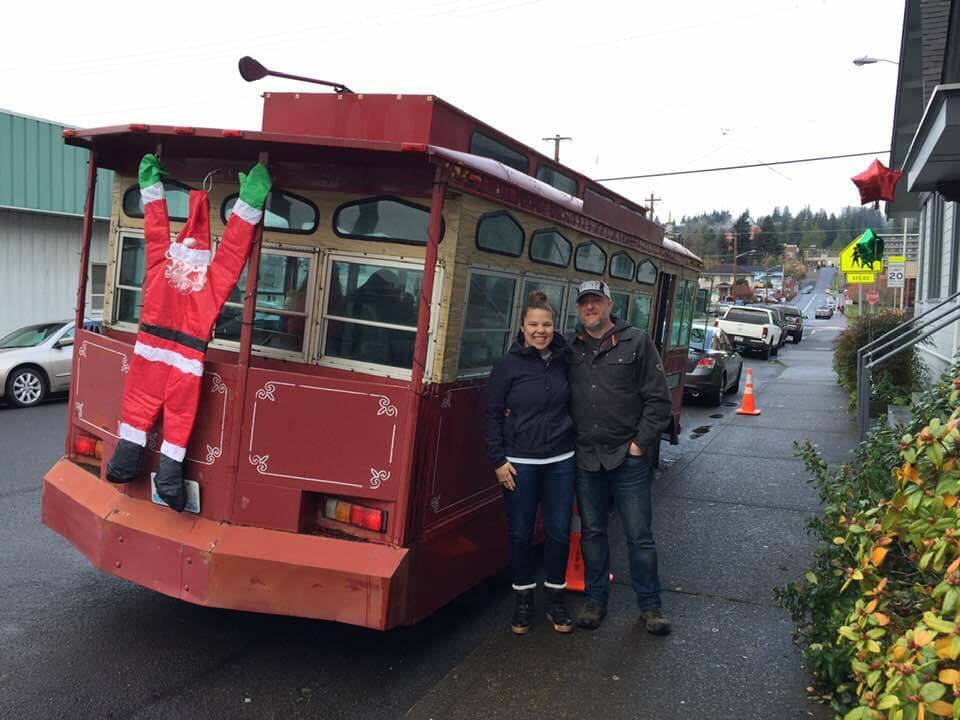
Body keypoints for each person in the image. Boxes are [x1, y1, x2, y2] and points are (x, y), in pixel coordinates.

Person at [566, 279, 674, 635]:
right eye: (584, 303)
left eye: (596, 301)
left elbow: (659, 400)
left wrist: (640, 444)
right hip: (587, 457)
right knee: (593, 533)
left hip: (627, 458)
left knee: (639, 535)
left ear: (609, 305)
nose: (590, 308)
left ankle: (650, 607)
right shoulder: (570, 345)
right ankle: (596, 601)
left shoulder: (637, 341)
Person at [485, 290, 577, 635]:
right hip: (519, 463)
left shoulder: (566, 360)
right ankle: (523, 601)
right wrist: (498, 460)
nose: (541, 330)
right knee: (521, 533)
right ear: (522, 327)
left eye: (547, 324)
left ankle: (556, 600)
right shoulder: (507, 365)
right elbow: (492, 414)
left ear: (555, 327)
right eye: (534, 325)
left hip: (561, 461)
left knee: (557, 532)